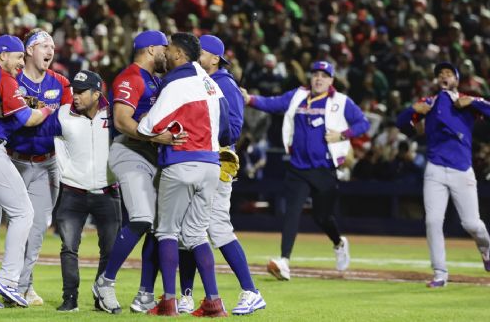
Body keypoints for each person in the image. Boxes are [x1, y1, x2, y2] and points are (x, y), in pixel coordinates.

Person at [241, 61, 370, 281]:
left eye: (323, 75)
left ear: (331, 80)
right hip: (298, 167)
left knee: (322, 217)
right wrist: (250, 99)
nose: (318, 79)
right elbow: (273, 103)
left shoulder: (340, 101)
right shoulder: (298, 95)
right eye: (315, 75)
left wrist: (342, 134)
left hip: (324, 168)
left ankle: (339, 242)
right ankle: (284, 261)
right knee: (292, 212)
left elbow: (363, 123)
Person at [136, 32, 230, 316]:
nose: (164, 54)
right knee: (197, 234)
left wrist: (153, 126)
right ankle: (213, 301)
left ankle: (168, 301)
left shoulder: (175, 83)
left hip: (182, 162)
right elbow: (226, 126)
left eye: (169, 50)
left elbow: (147, 127)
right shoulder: (211, 83)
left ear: (178, 54)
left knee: (166, 231)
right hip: (212, 166)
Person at [0, 34, 55, 308]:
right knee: (23, 212)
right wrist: (48, 109)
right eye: (17, 57)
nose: (20, 63)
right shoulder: (5, 78)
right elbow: (27, 120)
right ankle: (8, 280)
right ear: (3, 55)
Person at [177, 35, 265, 315]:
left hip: (217, 161)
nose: (196, 56)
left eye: (201, 53)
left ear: (215, 58)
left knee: (216, 228)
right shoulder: (200, 81)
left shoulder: (225, 83)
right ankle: (186, 295)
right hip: (198, 161)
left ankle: (251, 291)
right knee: (187, 229)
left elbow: (234, 129)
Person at [93, 30, 172, 314]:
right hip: (129, 150)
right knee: (141, 217)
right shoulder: (131, 77)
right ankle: (105, 281)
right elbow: (123, 121)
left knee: (158, 227)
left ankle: (145, 294)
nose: (168, 53)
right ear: (151, 49)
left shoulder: (154, 79)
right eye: (165, 48)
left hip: (151, 154)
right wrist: (156, 137)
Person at [396, 62, 490, 287]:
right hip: (435, 168)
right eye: (440, 74)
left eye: (449, 73)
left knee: (472, 224)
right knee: (433, 221)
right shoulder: (429, 103)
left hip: (461, 168)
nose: (444, 76)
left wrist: (475, 101)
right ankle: (440, 273)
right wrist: (412, 111)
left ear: (457, 80)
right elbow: (403, 125)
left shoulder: (466, 102)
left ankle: (486, 248)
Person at [34, 70, 121, 312]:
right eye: (74, 90)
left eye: (82, 92)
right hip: (73, 191)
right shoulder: (62, 114)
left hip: (108, 190)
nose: (75, 96)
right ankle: (69, 298)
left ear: (97, 93)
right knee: (69, 247)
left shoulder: (114, 114)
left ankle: (101, 296)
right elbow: (37, 136)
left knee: (111, 249)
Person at [6, 29, 72, 305]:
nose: (50, 50)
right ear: (29, 50)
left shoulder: (61, 83)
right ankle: (3, 283)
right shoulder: (12, 81)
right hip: (13, 161)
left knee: (36, 229)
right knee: (12, 225)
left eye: (52, 47)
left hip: (47, 162)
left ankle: (24, 285)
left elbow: (70, 123)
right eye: (44, 45)